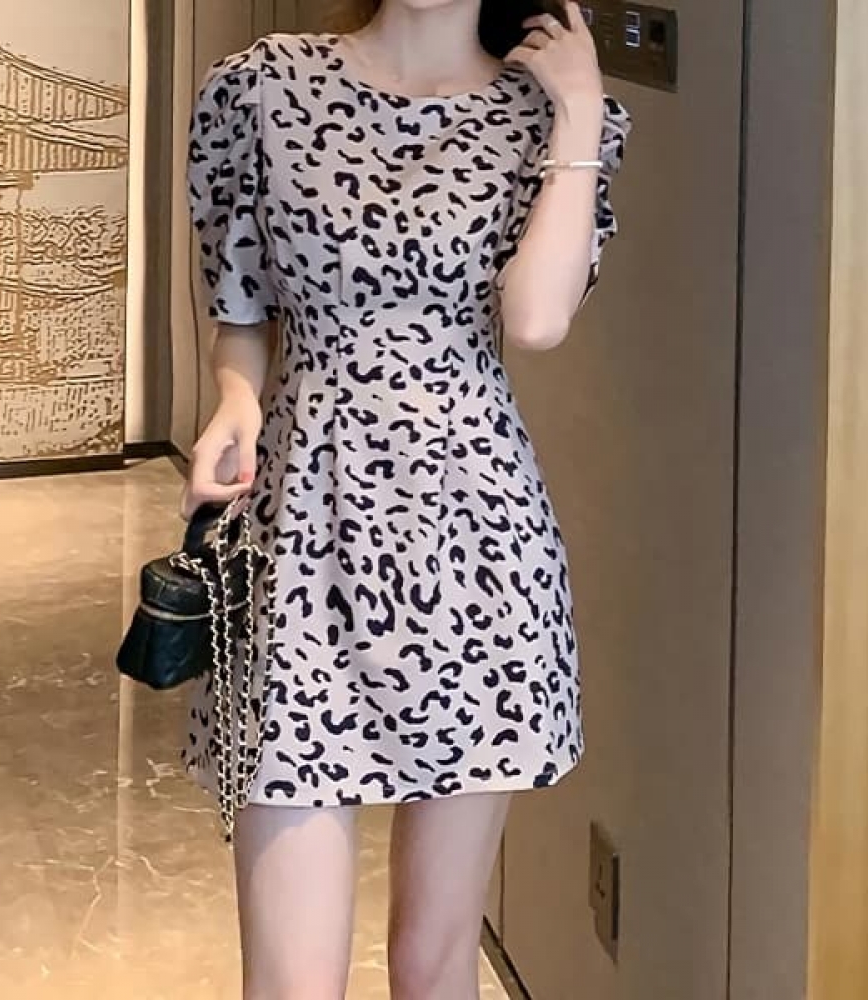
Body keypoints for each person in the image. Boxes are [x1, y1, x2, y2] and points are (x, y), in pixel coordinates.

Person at [182, 1, 630, 996]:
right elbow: (240, 309)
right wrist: (235, 403)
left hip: (477, 550)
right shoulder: (262, 86)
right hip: (301, 540)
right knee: (293, 980)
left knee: (432, 963)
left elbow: (537, 318)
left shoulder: (545, 115)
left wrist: (579, 115)